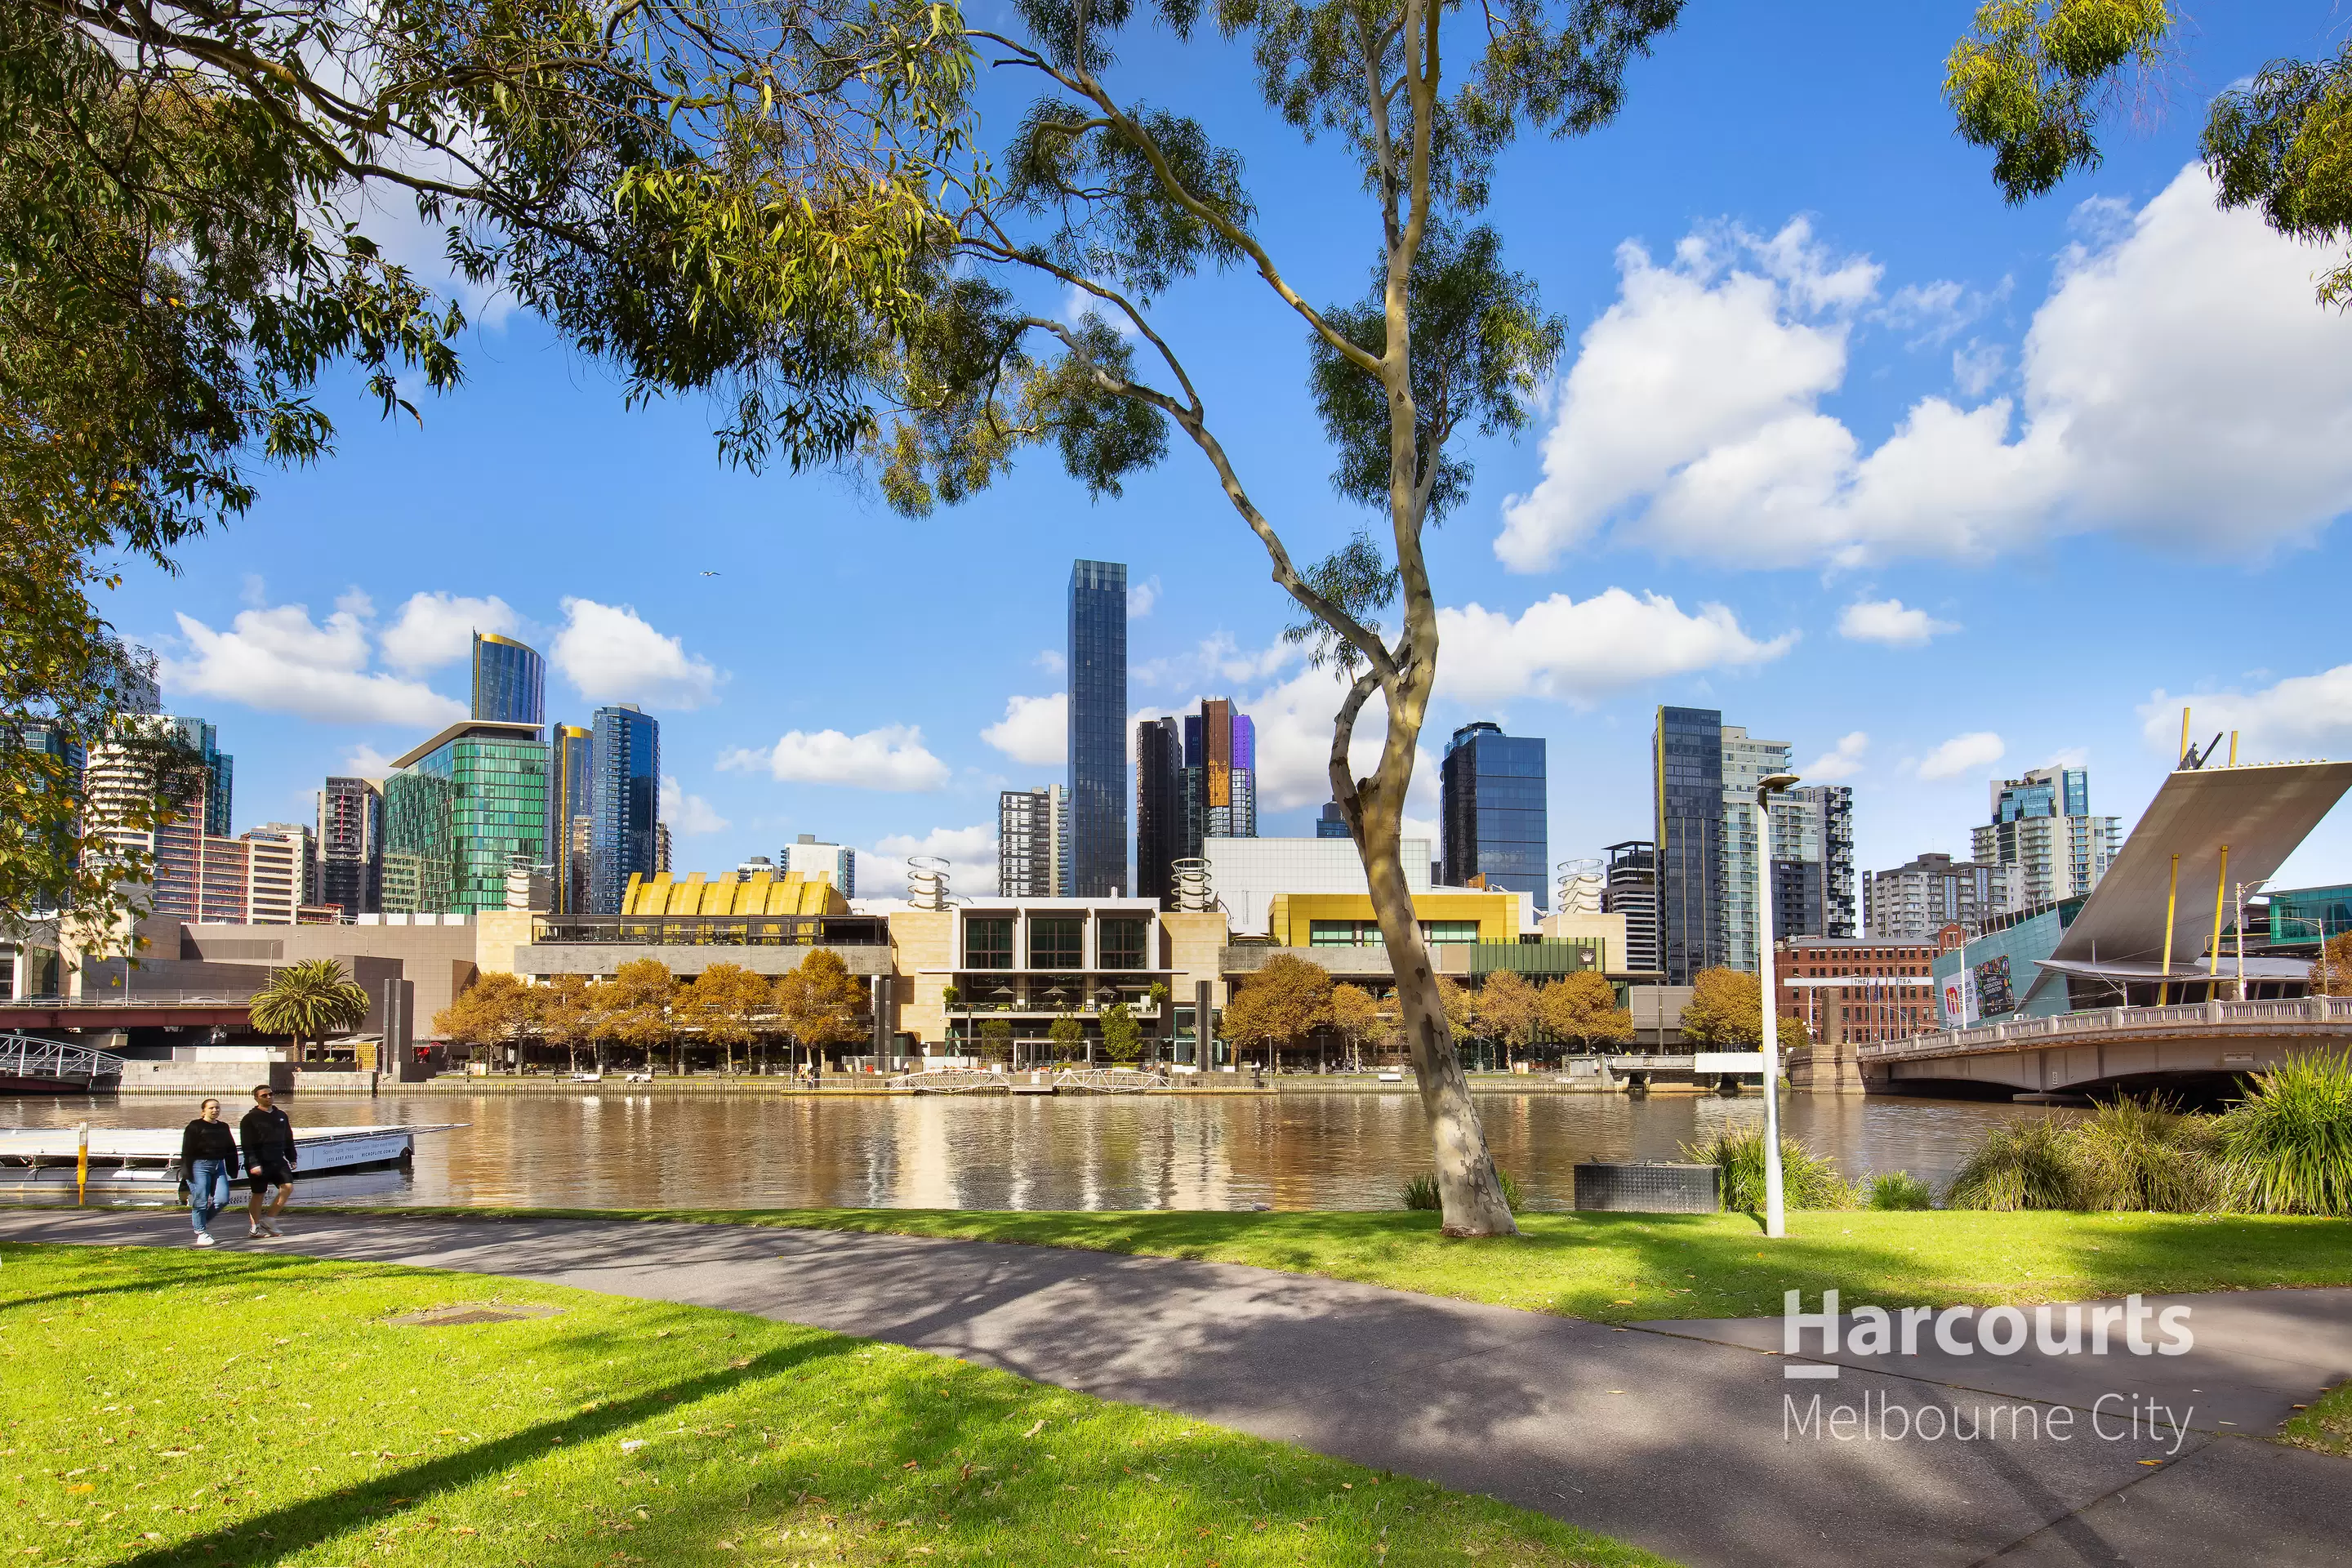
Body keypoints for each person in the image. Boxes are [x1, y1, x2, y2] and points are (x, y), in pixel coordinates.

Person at [239, 1083, 296, 1238]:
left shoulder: (281, 1115)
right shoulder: (250, 1118)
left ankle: (270, 1219)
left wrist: (292, 1157)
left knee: (288, 1187)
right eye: (264, 1095)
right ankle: (255, 1227)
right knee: (259, 1193)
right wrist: (253, 1163)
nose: (269, 1097)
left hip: (278, 1160)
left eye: (271, 1094)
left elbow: (288, 1138)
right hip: (258, 1162)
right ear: (256, 1098)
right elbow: (247, 1144)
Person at [179, 1098, 238, 1247]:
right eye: (211, 1108)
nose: (215, 1110)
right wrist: (186, 1172)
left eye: (217, 1108)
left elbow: (231, 1148)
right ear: (203, 1111)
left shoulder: (223, 1127)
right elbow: (187, 1149)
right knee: (201, 1201)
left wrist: (233, 1169)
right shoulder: (195, 1126)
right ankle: (201, 1232)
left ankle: (200, 1222)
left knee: (222, 1199)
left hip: (219, 1165)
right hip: (199, 1166)